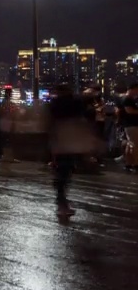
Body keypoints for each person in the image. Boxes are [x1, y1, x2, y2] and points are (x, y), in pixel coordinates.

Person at [48, 84, 91, 217]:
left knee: (61, 171)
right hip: (71, 138)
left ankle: (61, 201)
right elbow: (84, 117)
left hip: (59, 139)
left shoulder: (54, 105)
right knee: (66, 171)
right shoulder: (76, 103)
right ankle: (62, 202)